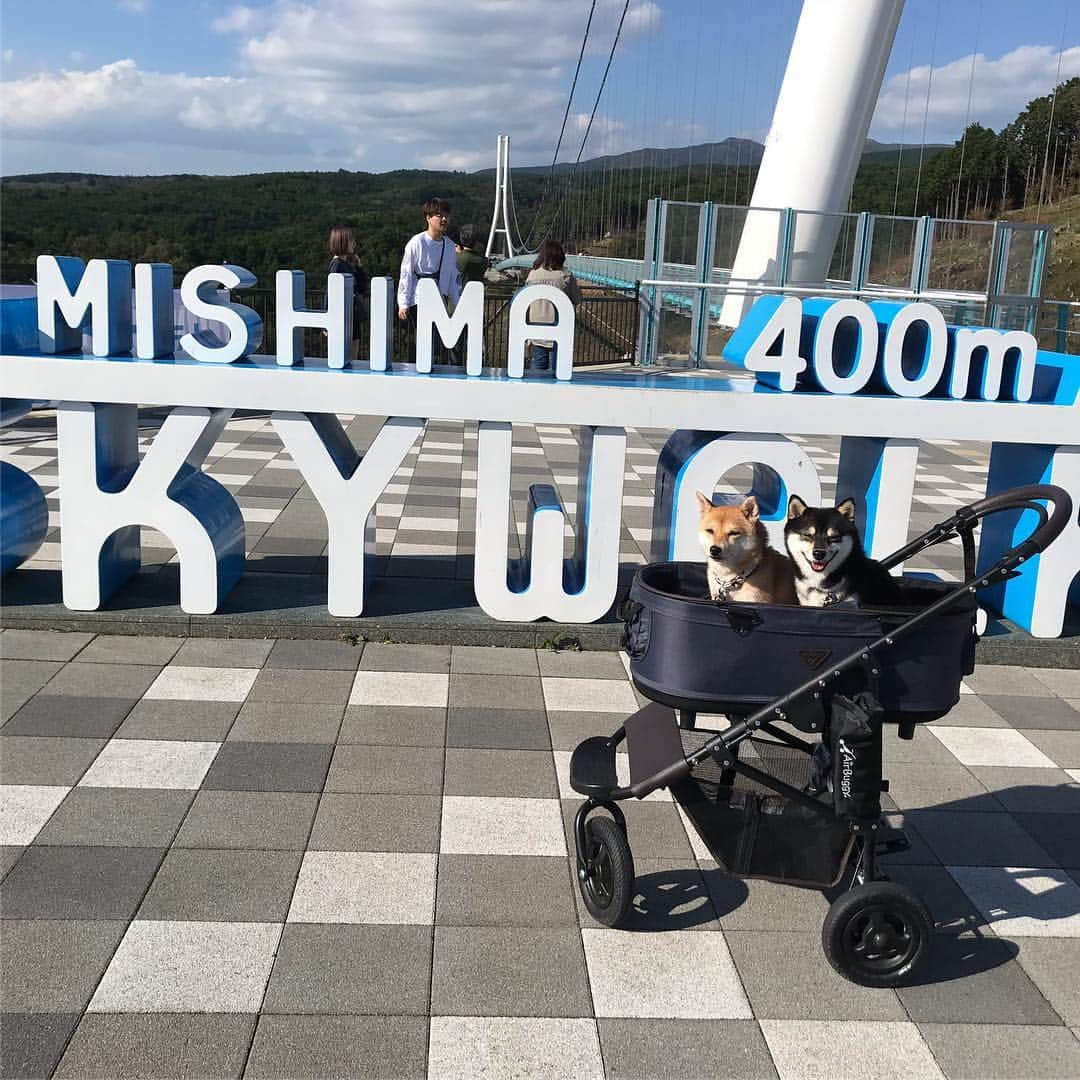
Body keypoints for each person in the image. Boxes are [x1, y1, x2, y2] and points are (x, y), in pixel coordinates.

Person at [397, 197, 462, 364]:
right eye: (439, 215)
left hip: (440, 301)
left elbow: (453, 277)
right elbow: (406, 273)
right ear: (428, 217)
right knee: (423, 342)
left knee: (441, 345)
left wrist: (458, 303)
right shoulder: (417, 242)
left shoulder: (449, 246)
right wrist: (403, 303)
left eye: (446, 215)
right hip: (419, 300)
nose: (444, 219)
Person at [524, 239, 582, 373]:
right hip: (560, 331)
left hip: (536, 332)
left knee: (537, 374)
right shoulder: (565, 276)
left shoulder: (532, 275)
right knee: (559, 373)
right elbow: (577, 299)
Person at [327, 226, 369, 361]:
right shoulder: (337, 265)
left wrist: (358, 265)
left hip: (351, 315)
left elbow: (362, 287)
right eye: (351, 241)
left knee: (353, 354)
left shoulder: (346, 264)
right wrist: (327, 320)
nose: (354, 244)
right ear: (342, 242)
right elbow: (330, 291)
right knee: (346, 356)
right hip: (343, 316)